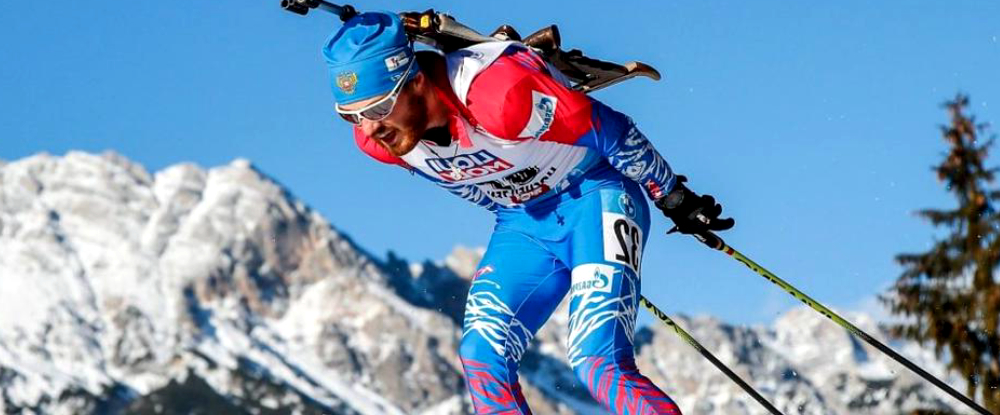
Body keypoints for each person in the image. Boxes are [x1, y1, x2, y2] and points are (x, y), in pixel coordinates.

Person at [322, 11, 733, 415]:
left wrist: (674, 197)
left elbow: (614, 132)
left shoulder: (500, 99)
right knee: (481, 356)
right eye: (351, 116)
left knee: (597, 360)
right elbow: (474, 185)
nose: (369, 128)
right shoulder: (382, 143)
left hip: (594, 195)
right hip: (523, 223)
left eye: (377, 109)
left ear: (414, 81)